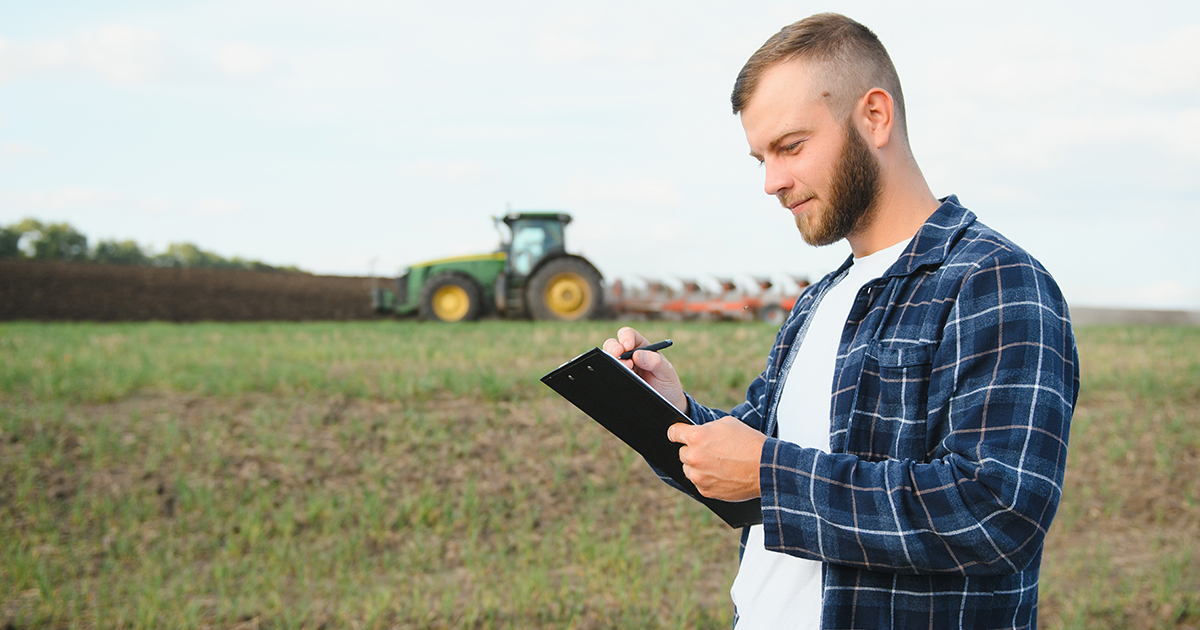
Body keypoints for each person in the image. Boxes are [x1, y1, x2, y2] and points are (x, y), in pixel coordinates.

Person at [603, 13, 1079, 630]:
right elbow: (748, 468)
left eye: (791, 146)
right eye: (761, 158)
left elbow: (995, 513)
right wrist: (669, 410)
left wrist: (771, 474)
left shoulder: (994, 281)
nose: (773, 181)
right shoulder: (820, 299)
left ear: (874, 117)